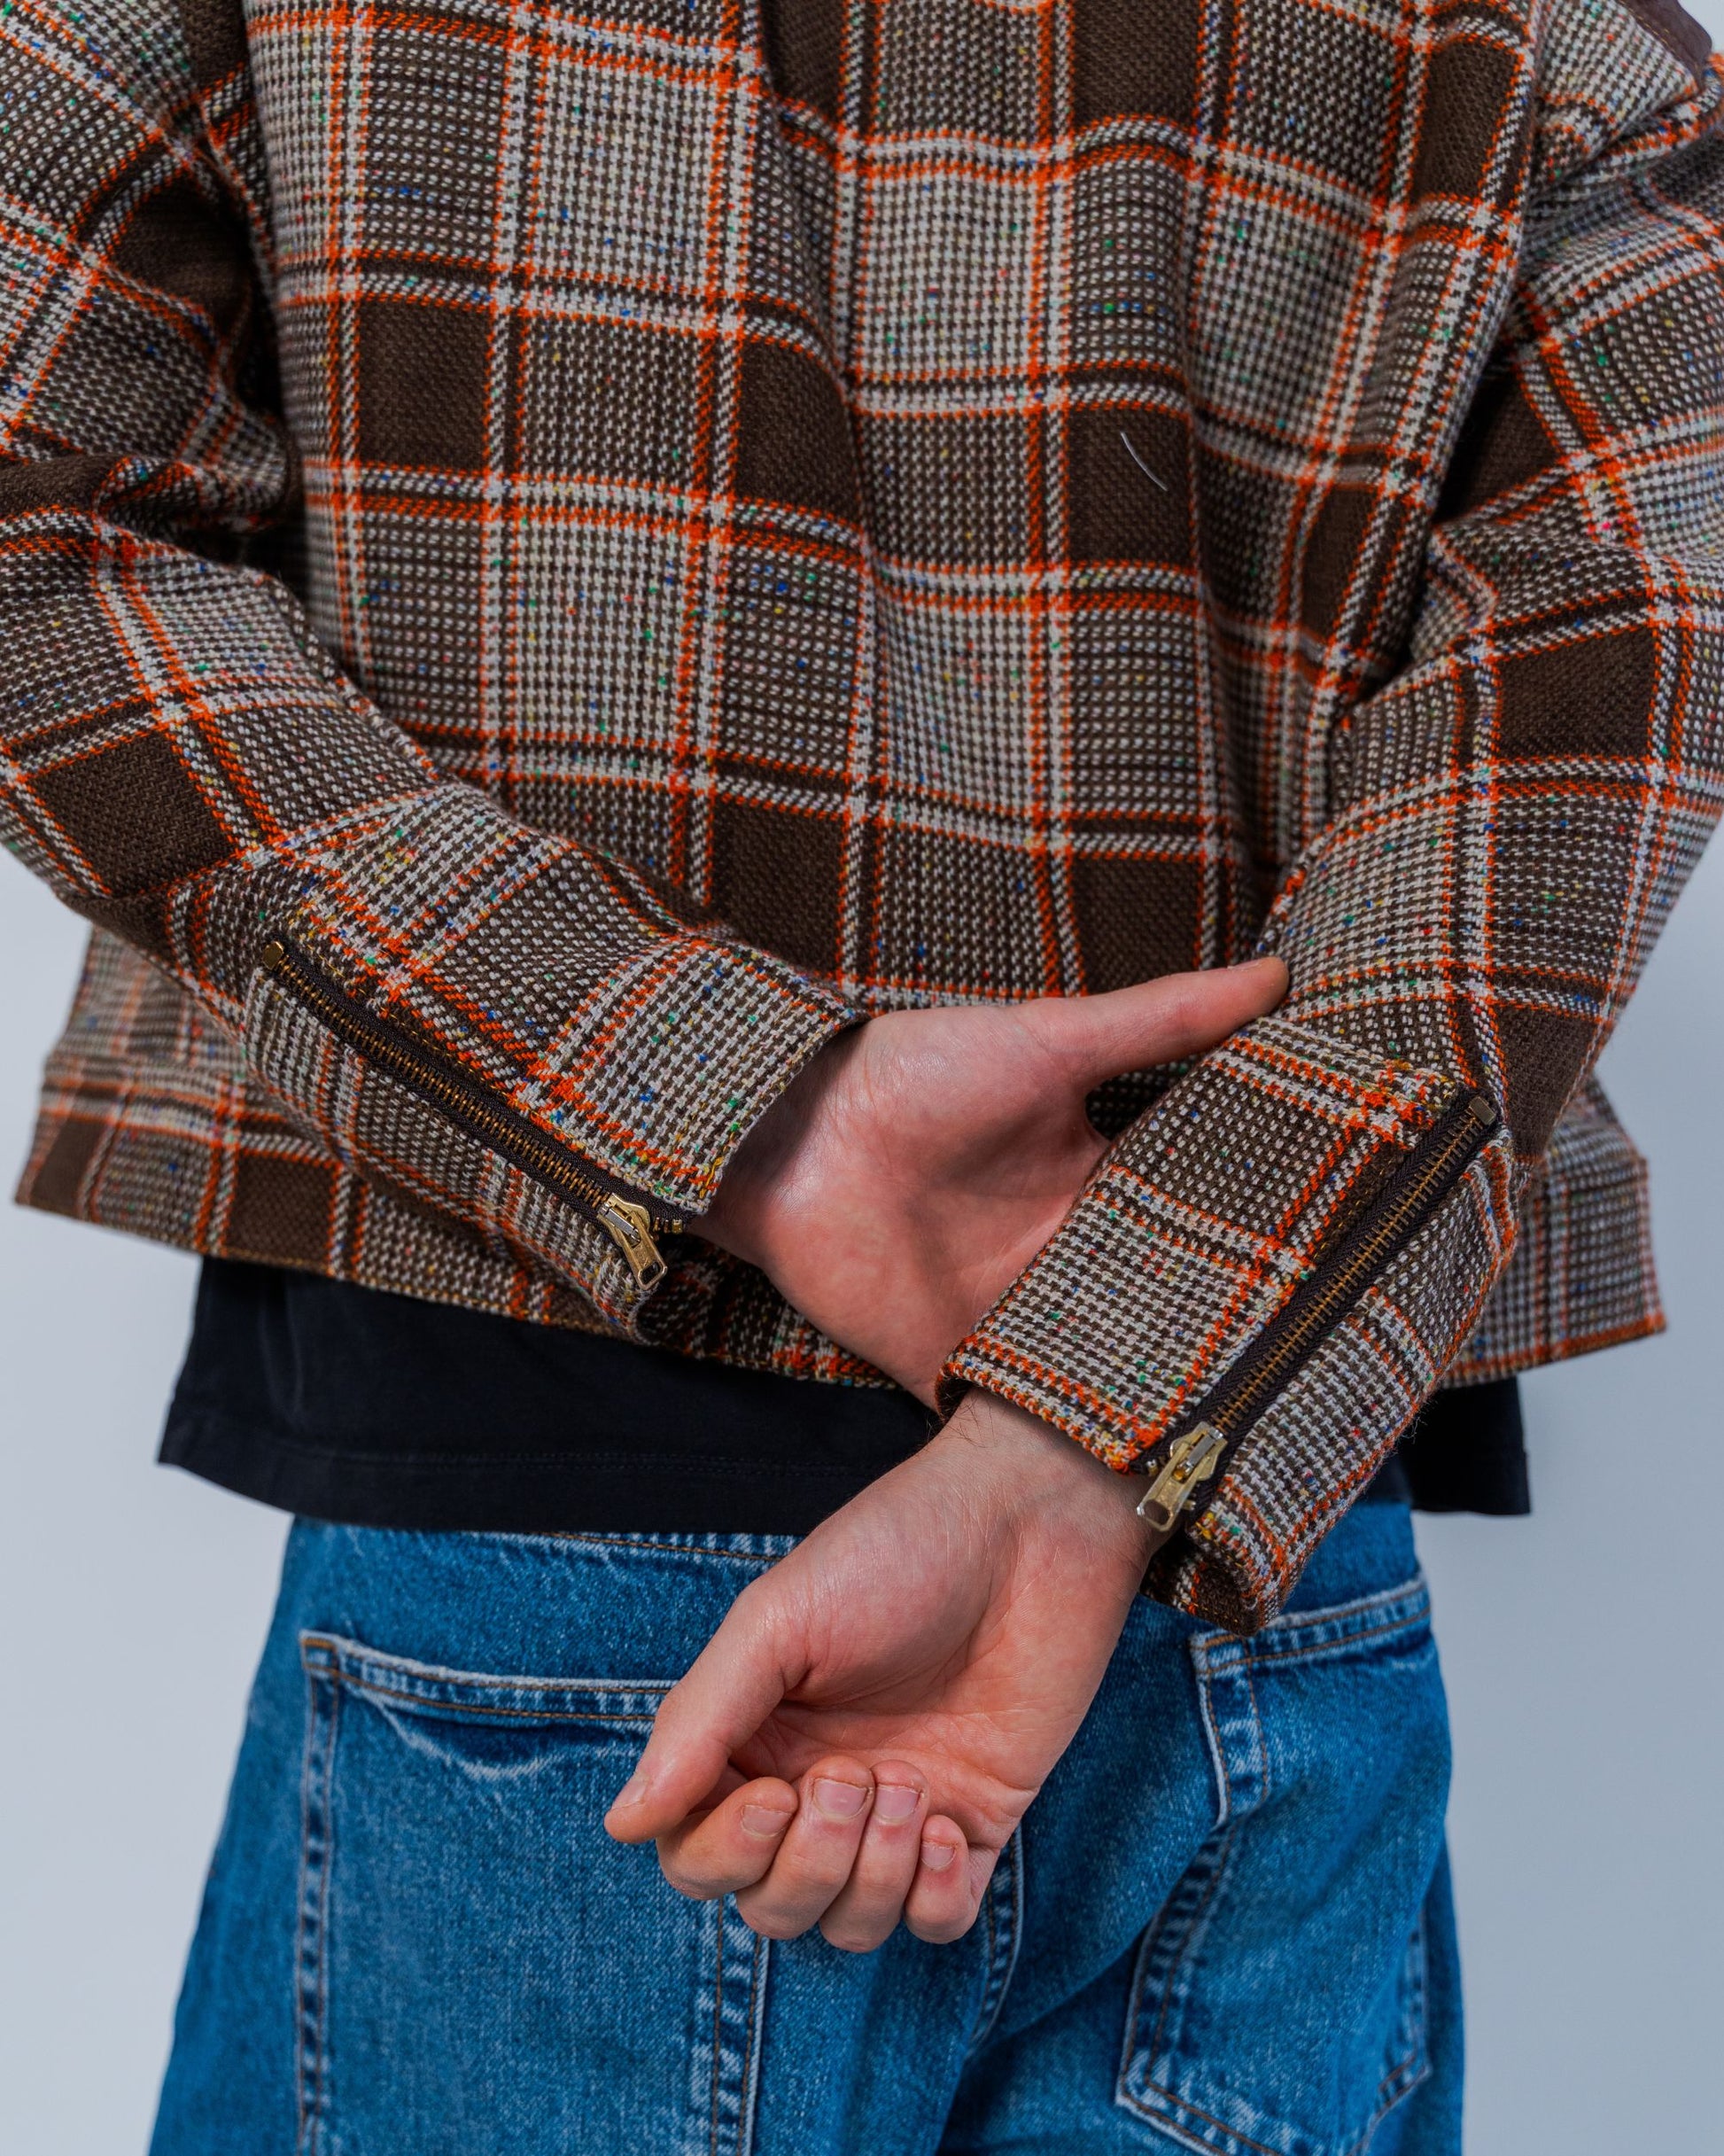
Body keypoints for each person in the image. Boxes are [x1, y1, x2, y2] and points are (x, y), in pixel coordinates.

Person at [3, 0, 1720, 2147]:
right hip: (1230, 1526)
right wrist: (1105, 1413)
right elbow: (1606, 655)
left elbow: (29, 510)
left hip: (556, 1507)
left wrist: (745, 1110)